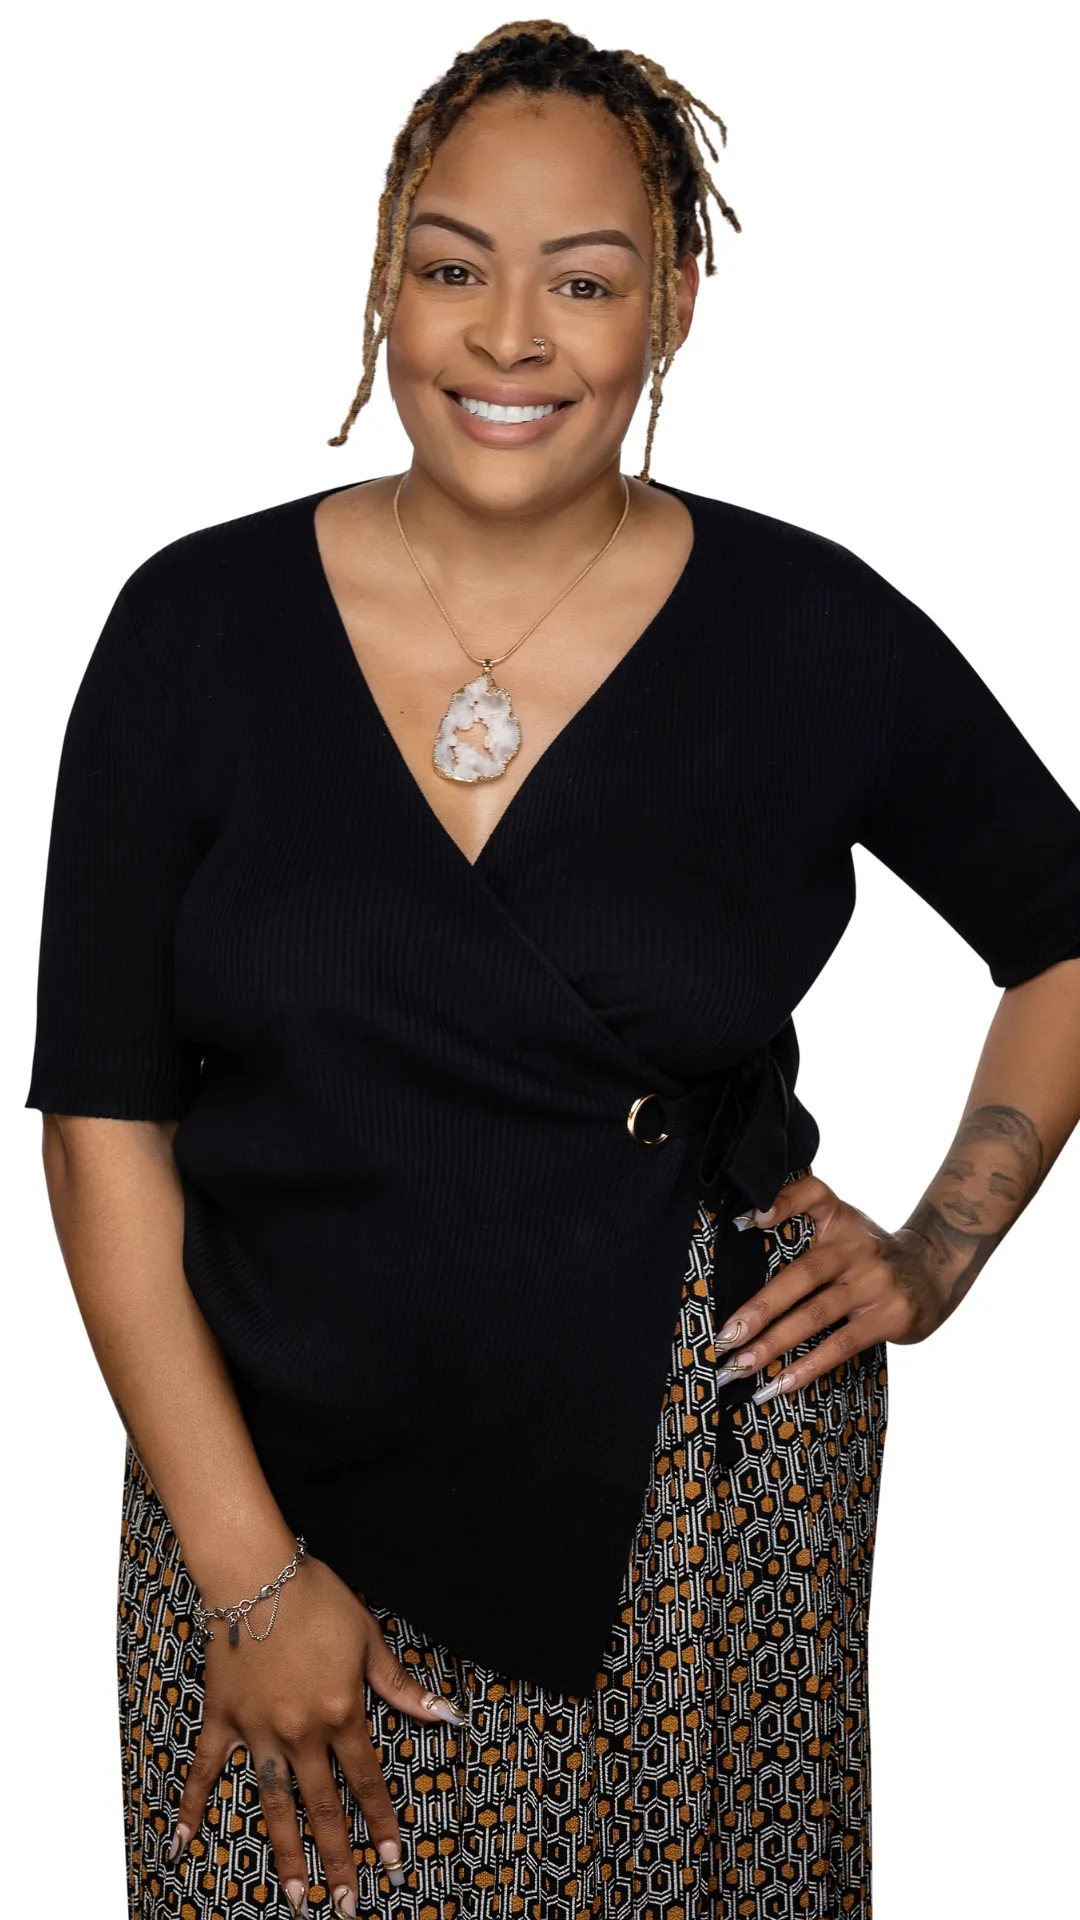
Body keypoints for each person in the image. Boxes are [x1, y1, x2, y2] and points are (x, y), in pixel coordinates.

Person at [24, 19, 1080, 1920]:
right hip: (262, 1495)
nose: (508, 338)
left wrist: (942, 1246)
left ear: (671, 305)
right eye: (454, 268)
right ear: (386, 279)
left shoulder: (810, 632)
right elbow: (103, 1125)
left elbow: (1065, 931)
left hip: (699, 1498)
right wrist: (250, 1578)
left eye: (583, 282)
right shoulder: (192, 629)